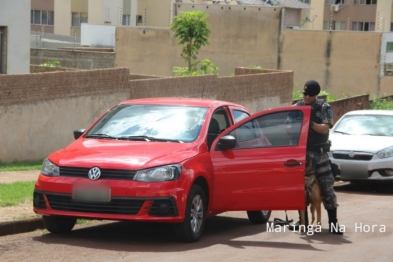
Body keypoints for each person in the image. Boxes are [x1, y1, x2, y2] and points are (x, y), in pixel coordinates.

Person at [287, 80, 343, 235]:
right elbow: (287, 127)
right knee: (300, 189)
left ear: (316, 94)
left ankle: (333, 223)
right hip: (302, 155)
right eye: (304, 94)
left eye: (310, 94)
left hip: (319, 155)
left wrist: (309, 123)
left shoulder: (324, 108)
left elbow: (324, 129)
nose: (306, 97)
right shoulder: (298, 107)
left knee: (327, 187)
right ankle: (302, 220)